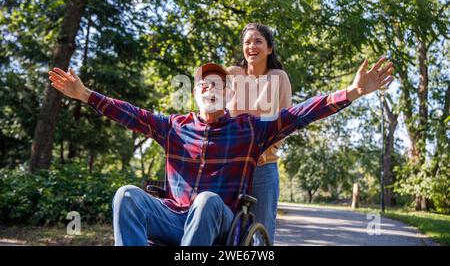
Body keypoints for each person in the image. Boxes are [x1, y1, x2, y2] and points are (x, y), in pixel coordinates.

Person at [48, 57, 394, 246]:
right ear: (195, 93)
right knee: (126, 195)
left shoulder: (249, 129)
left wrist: (350, 93)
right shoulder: (174, 126)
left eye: (217, 85)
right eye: (203, 84)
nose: (209, 88)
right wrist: (85, 94)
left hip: (220, 224)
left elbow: (300, 113)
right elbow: (130, 114)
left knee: (206, 200)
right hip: (173, 218)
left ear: (229, 94)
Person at [227, 23, 292, 244]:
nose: (251, 46)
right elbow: (217, 115)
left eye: (258, 41)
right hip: (232, 165)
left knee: (261, 232)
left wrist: (267, 149)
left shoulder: (279, 77)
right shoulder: (232, 74)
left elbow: (285, 122)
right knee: (225, 228)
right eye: (247, 42)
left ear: (270, 48)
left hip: (264, 166)